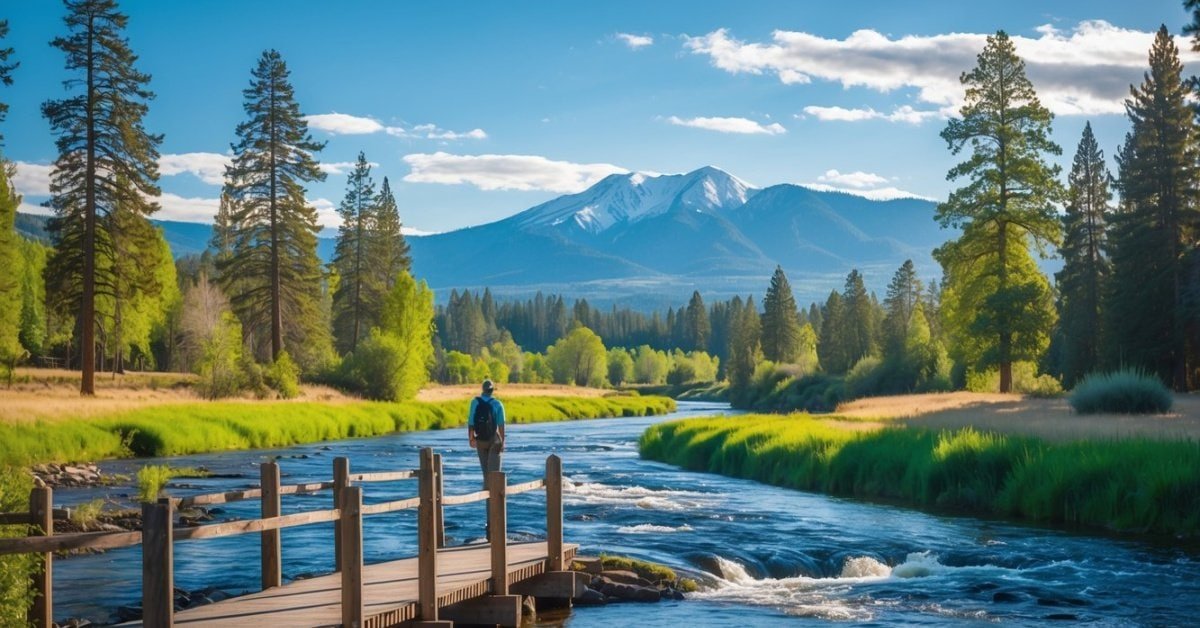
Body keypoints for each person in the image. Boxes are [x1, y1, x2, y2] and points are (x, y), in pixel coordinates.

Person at [468, 379, 505, 480]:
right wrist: (502, 442)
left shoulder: (474, 402)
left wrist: (471, 439)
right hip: (494, 439)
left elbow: (471, 423)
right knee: (495, 473)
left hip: (480, 439)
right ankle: (494, 488)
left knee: (485, 474)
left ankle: (486, 487)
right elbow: (501, 425)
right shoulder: (498, 404)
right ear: (492, 390)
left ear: (482, 389)